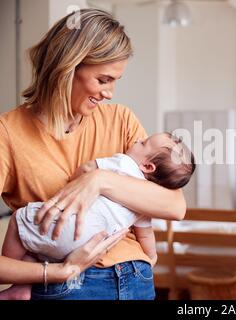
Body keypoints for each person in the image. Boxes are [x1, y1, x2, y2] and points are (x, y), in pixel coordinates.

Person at [0, 9, 186, 300]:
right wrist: (57, 272)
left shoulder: (121, 119)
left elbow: (174, 205)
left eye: (115, 81)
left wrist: (99, 180)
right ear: (66, 68)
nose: (110, 92)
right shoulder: (7, 133)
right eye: (103, 80)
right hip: (64, 286)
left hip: (136, 277)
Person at [1, 132, 195, 299]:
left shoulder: (123, 163)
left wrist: (76, 182)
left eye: (143, 143)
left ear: (148, 167)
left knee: (20, 221)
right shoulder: (145, 201)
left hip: (68, 227)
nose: (137, 139)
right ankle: (22, 289)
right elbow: (146, 235)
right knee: (38, 248)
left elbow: (86, 169)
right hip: (90, 246)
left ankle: (15, 280)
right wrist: (151, 258)